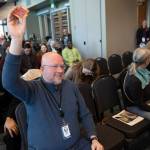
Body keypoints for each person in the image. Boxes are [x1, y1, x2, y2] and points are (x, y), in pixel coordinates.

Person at [2, 6, 104, 150]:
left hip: (77, 145)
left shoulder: (70, 86)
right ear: (42, 69)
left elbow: (85, 114)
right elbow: (9, 82)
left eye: (62, 66)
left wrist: (93, 138)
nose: (60, 70)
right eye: (54, 66)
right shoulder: (32, 90)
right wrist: (17, 38)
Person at [124, 48, 150, 120]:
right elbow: (140, 104)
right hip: (133, 106)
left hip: (144, 100)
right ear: (146, 61)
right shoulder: (135, 80)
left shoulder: (143, 70)